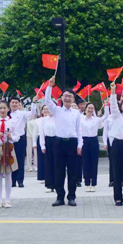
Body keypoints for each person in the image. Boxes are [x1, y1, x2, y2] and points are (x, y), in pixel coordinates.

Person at [45, 76, 83, 207]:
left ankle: (71, 197)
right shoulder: (57, 110)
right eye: (65, 96)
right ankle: (60, 197)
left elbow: (79, 131)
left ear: (73, 99)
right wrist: (50, 86)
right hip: (59, 143)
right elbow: (47, 100)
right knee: (59, 171)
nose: (67, 98)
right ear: (62, 98)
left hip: (72, 143)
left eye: (70, 97)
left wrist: (80, 145)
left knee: (72, 172)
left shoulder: (77, 113)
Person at [9, 97, 36, 187]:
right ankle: (12, 180)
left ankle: (20, 180)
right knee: (11, 160)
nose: (14, 104)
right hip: (9, 139)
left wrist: (33, 103)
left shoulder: (22, 114)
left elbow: (32, 113)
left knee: (20, 159)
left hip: (20, 138)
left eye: (16, 102)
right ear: (10, 104)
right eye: (13, 102)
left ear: (19, 103)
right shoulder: (7, 114)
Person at [81, 102, 108, 193]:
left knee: (94, 163)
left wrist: (107, 106)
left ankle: (94, 184)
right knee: (85, 163)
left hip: (93, 141)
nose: (90, 110)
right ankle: (87, 183)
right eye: (89, 108)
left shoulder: (96, 120)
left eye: (92, 108)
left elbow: (106, 116)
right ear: (85, 109)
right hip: (84, 141)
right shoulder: (81, 119)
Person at [37, 105, 57, 193]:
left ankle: (57, 184)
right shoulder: (43, 120)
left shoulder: (58, 119)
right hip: (47, 140)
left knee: (57, 164)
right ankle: (49, 185)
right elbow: (41, 133)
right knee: (48, 163)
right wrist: (42, 145)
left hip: (57, 140)